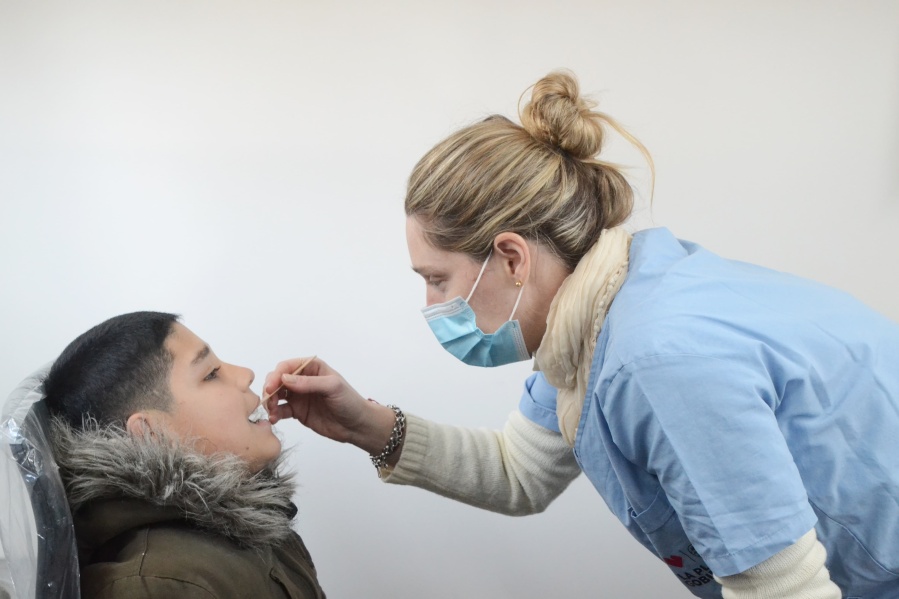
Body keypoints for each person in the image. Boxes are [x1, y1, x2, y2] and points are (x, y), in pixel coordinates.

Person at [264, 70, 899, 599]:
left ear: (511, 258)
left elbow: (783, 589)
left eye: (436, 278)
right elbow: (520, 472)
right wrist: (365, 425)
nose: (430, 304)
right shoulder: (590, 318)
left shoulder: (654, 358)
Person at [42, 311, 326, 599]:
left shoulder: (238, 518)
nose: (245, 375)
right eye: (211, 374)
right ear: (152, 435)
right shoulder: (159, 586)